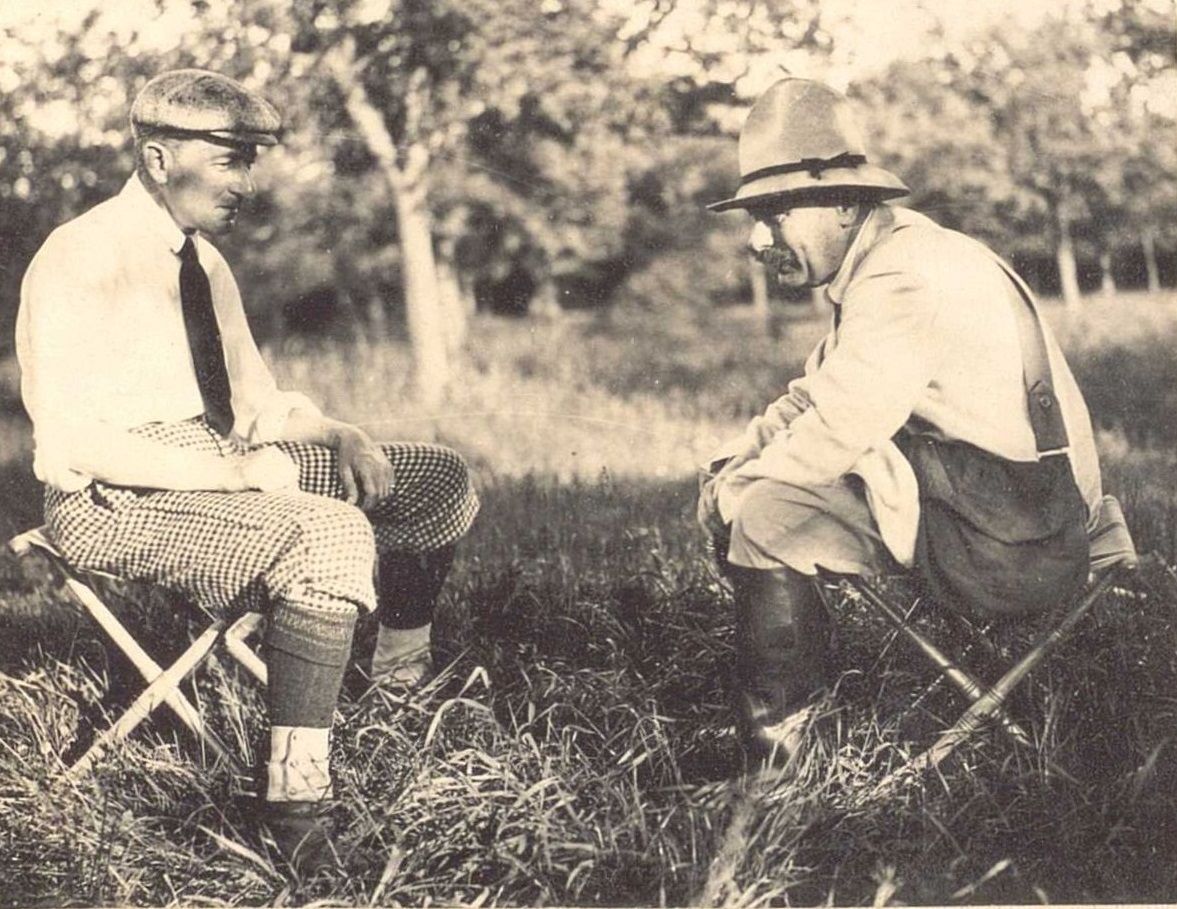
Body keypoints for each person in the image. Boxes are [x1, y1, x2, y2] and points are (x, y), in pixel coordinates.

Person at [15, 69, 480, 873]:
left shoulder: (205, 263)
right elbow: (75, 439)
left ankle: (398, 697)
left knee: (434, 479)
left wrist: (338, 433)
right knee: (325, 530)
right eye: (231, 159)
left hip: (214, 460)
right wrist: (236, 479)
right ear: (159, 160)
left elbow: (255, 402)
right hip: (110, 494)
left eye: (252, 161)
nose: (248, 182)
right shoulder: (79, 256)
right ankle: (295, 807)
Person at [698, 78, 1102, 764]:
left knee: (767, 514)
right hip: (1018, 508)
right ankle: (786, 718)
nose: (755, 239)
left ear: (846, 203)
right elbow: (813, 395)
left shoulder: (901, 278)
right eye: (753, 216)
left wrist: (740, 491)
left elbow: (839, 422)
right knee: (761, 486)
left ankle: (773, 762)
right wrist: (730, 462)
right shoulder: (899, 255)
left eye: (774, 214)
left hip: (1023, 539)